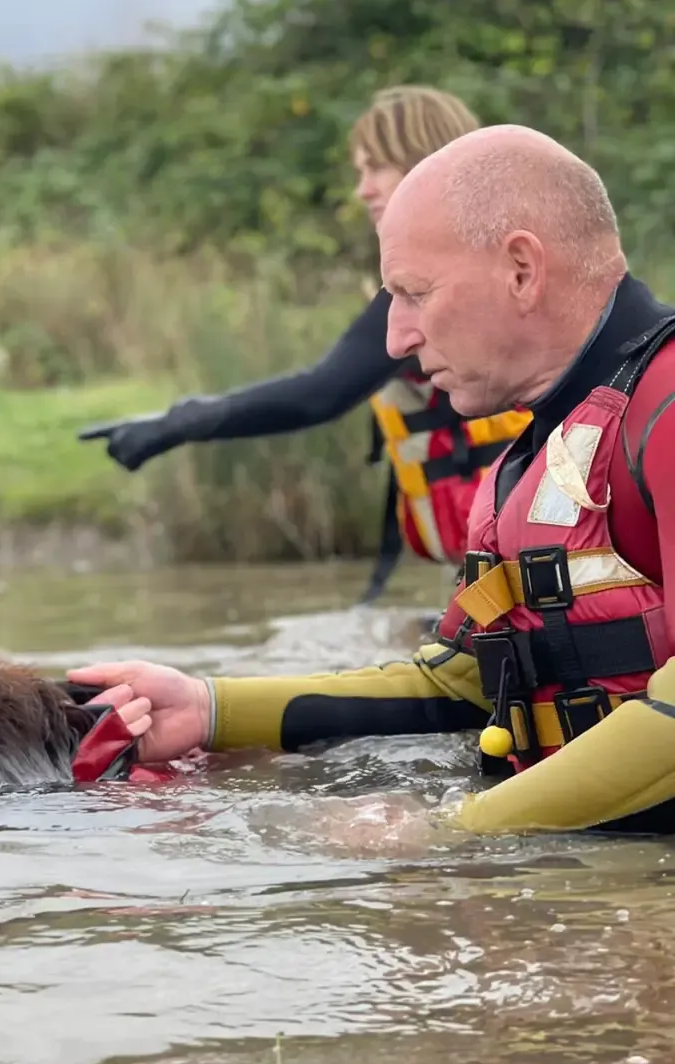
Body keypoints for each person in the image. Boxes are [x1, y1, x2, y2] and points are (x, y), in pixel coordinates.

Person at [67, 123, 675, 838]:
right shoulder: (540, 448)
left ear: (521, 270)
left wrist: (448, 832)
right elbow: (457, 681)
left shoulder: (664, 407)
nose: (396, 340)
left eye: (414, 294)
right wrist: (209, 708)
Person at [78, 86, 532, 603]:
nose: (363, 189)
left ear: (425, 165)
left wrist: (181, 422)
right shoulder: (487, 264)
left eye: (377, 167)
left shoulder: (440, 287)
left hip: (514, 568)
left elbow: (320, 393)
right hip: (505, 566)